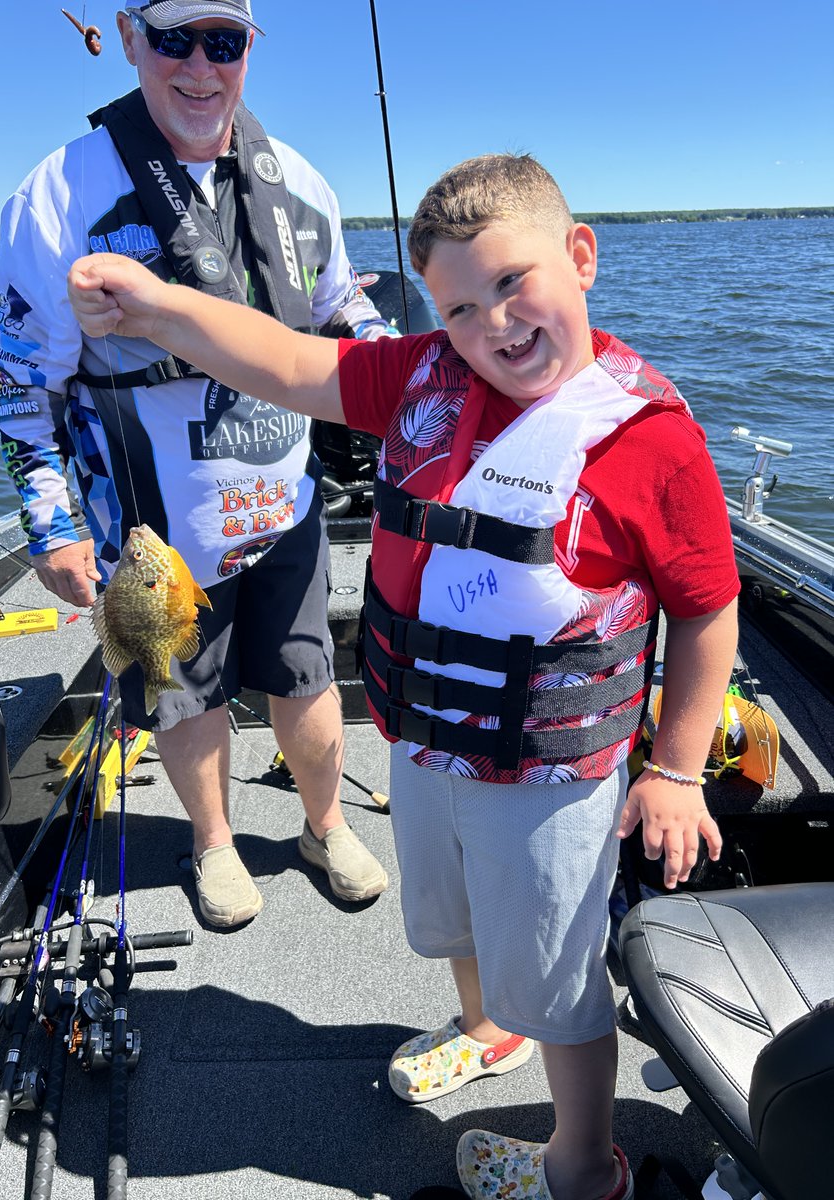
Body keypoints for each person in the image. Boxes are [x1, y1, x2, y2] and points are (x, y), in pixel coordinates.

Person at [66, 152, 741, 1200]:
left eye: (514, 283)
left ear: (581, 256)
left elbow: (706, 607)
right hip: (423, 743)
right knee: (452, 921)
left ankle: (582, 1165)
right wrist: (158, 309)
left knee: (560, 984)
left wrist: (682, 769)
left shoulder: (651, 439)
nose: (495, 327)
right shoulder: (423, 375)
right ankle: (484, 1030)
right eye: (461, 307)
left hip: (551, 778)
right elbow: (286, 361)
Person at [0, 0, 395, 930]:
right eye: (173, 39)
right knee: (184, 696)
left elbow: (346, 318)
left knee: (308, 682)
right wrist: (50, 524)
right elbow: (20, 385)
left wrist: (422, 377)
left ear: (250, 48)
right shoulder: (56, 195)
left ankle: (322, 824)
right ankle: (214, 842)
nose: (199, 66)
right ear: (130, 39)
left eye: (224, 41)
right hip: (150, 527)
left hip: (286, 506)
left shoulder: (298, 182)